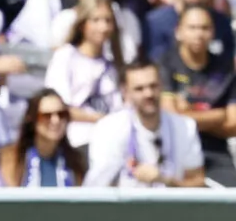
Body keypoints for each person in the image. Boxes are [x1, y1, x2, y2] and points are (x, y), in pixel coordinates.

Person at [84, 59, 205, 187]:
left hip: (171, 205)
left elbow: (197, 182)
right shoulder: (108, 129)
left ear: (162, 86)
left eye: (153, 86)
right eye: (139, 89)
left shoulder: (185, 126)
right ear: (125, 92)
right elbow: (98, 188)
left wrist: (165, 180)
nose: (148, 94)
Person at [158, 4, 236, 184]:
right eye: (192, 28)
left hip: (216, 151)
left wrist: (186, 112)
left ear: (213, 32)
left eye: (204, 28)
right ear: (179, 31)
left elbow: (233, 124)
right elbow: (170, 118)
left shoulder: (225, 68)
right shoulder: (166, 64)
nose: (199, 34)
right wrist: (218, 115)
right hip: (174, 150)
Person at [44, 0, 125, 150]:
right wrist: (98, 118)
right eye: (96, 20)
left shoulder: (112, 65)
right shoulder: (65, 56)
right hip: (76, 140)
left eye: (108, 21)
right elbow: (57, 105)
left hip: (110, 142)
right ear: (83, 25)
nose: (103, 27)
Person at [0, 89, 86, 186]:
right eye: (46, 116)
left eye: (61, 114)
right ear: (32, 120)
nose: (55, 120)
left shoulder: (76, 161)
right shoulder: (12, 159)